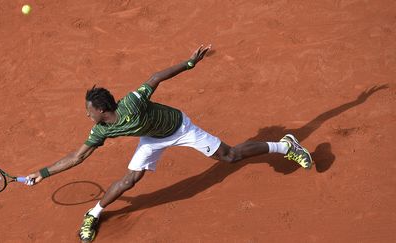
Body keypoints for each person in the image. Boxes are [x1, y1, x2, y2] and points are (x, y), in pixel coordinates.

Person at [25, 44, 313, 242]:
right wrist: (44, 172)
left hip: (180, 127)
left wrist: (189, 64)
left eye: (88, 110)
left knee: (231, 156)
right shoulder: (101, 131)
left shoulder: (132, 104)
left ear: (101, 110)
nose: (86, 114)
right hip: (152, 139)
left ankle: (286, 146)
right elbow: (77, 157)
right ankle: (93, 213)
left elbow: (155, 77)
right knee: (129, 180)